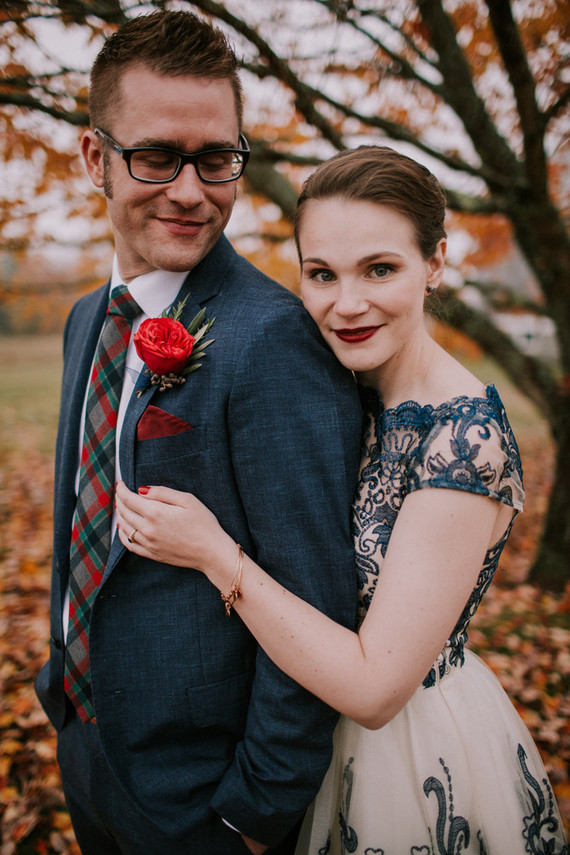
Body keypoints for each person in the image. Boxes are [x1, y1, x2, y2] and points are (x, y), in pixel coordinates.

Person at [115, 146, 569, 854]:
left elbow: (374, 686)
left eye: (380, 269)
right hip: (305, 747)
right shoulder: (346, 387)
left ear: (436, 264)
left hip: (412, 757)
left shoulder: (463, 439)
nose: (346, 303)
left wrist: (215, 555)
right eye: (321, 273)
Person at [34, 11, 363, 855]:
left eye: (216, 159)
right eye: (156, 156)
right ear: (92, 157)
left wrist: (249, 819)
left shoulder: (274, 338)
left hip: (202, 802)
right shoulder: (84, 321)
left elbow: (318, 601)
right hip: (89, 744)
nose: (190, 190)